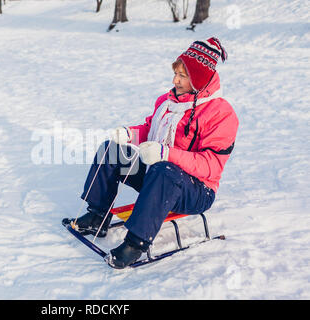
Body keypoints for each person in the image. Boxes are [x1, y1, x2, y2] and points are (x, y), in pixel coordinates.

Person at [63, 37, 239, 269]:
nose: (175, 80)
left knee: (164, 169)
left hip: (196, 190)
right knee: (112, 150)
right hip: (158, 175)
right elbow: (150, 130)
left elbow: (211, 165)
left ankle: (136, 243)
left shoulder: (221, 114)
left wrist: (166, 154)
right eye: (176, 73)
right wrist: (128, 134)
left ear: (199, 78)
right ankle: (97, 216)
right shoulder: (167, 102)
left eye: (183, 76)